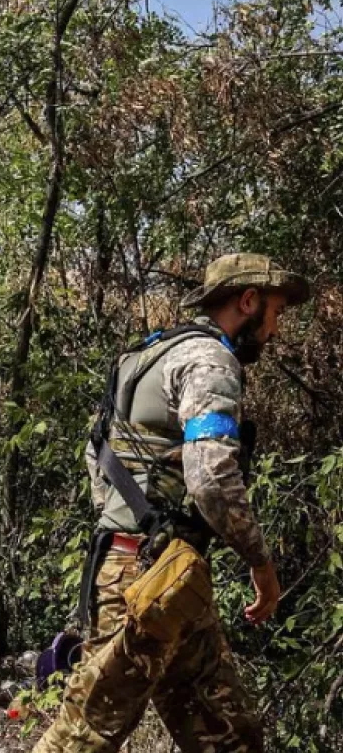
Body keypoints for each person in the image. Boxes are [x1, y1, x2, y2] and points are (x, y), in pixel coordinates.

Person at [35, 253, 311, 751]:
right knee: (85, 735)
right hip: (150, 582)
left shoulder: (146, 355)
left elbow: (96, 451)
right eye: (274, 312)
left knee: (227, 733)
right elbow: (210, 477)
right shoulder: (210, 360)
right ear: (247, 301)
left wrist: (124, 534)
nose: (275, 329)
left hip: (161, 575)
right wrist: (260, 564)